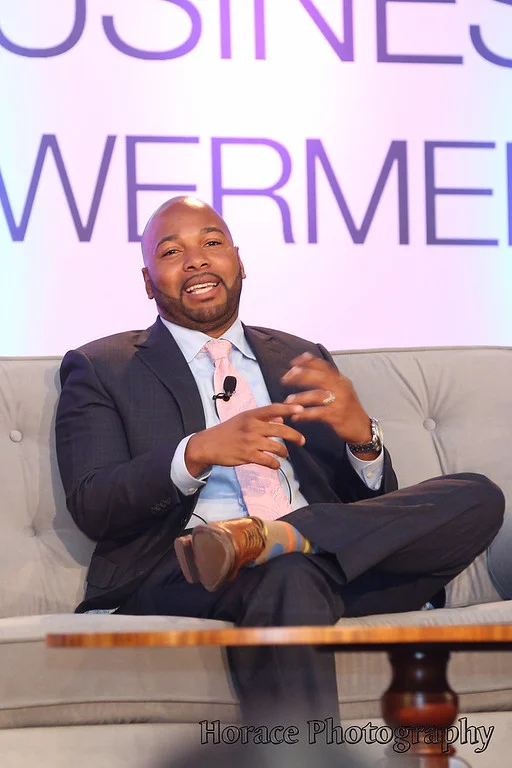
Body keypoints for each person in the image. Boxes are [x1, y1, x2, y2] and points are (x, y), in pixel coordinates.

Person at [55, 195, 504, 725]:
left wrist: (363, 439)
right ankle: (264, 549)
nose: (196, 260)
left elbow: (372, 513)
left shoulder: (299, 356)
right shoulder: (102, 366)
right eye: (172, 252)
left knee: (478, 495)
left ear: (239, 262)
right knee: (288, 576)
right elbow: (94, 505)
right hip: (186, 573)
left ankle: (279, 536)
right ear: (148, 282)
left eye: (212, 243)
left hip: (324, 562)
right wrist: (195, 453)